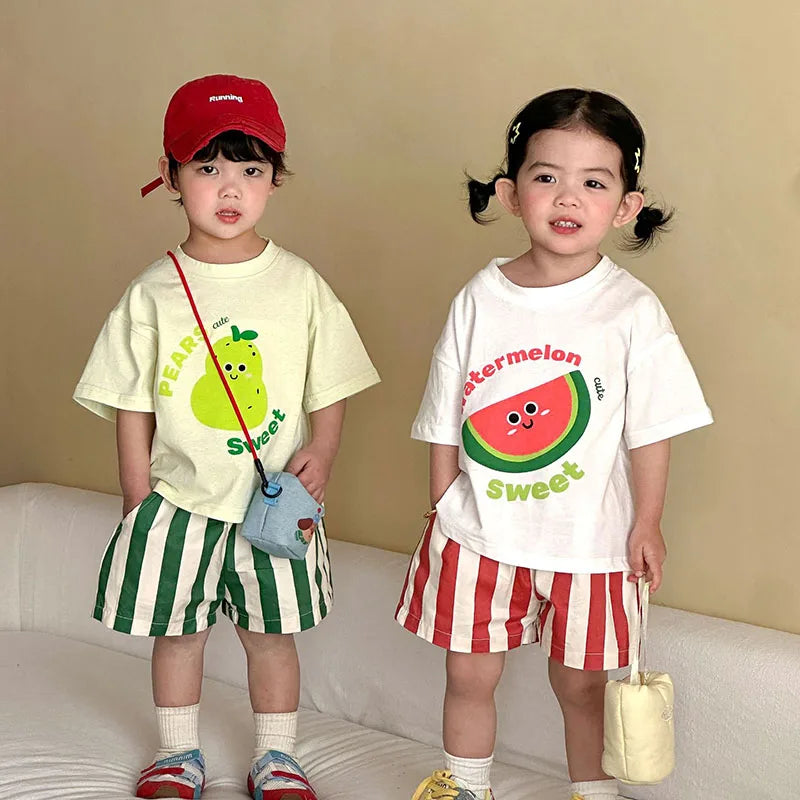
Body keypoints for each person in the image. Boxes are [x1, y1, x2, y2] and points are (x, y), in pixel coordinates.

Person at [396, 88, 712, 800]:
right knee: (468, 673)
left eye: (594, 182)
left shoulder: (632, 309)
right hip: (479, 533)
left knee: (581, 686)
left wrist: (648, 521)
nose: (568, 197)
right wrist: (443, 502)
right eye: (546, 176)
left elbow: (651, 428)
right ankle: (466, 786)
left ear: (626, 206)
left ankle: (592, 793)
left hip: (592, 540)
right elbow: (446, 412)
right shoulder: (480, 297)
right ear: (512, 194)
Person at [74, 73, 380, 800]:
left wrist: (324, 451)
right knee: (178, 635)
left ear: (276, 177)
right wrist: (137, 496)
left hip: (273, 504)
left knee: (272, 637)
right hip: (179, 501)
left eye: (251, 168)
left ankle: (277, 755)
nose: (230, 188)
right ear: (169, 175)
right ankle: (176, 753)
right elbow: (131, 403)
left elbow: (331, 379)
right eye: (207, 167)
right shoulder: (152, 291)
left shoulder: (299, 283)